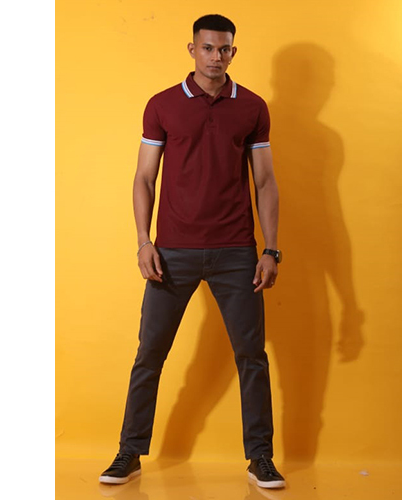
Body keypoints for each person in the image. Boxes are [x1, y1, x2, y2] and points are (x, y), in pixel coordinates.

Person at [99, 14, 285, 490]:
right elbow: (144, 178)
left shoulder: (252, 107)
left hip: (236, 251)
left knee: (251, 357)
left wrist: (271, 249)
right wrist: (143, 241)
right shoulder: (162, 105)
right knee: (150, 354)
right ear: (192, 49)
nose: (216, 57)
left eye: (224, 49)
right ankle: (129, 452)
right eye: (207, 48)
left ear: (233, 53)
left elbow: (265, 180)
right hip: (172, 252)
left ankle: (260, 458)